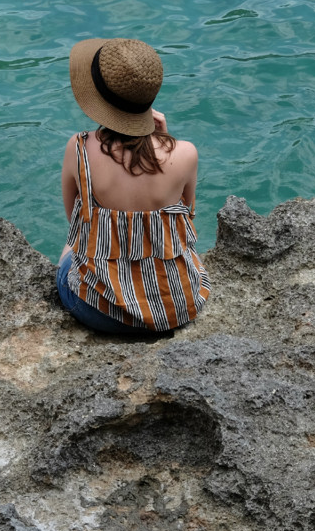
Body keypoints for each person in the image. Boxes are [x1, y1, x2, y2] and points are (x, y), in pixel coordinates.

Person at [57, 37, 210, 334]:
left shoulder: (78, 148)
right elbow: (186, 219)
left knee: (70, 249)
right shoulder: (187, 153)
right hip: (177, 306)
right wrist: (165, 140)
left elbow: (76, 222)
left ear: (99, 102)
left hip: (100, 311)